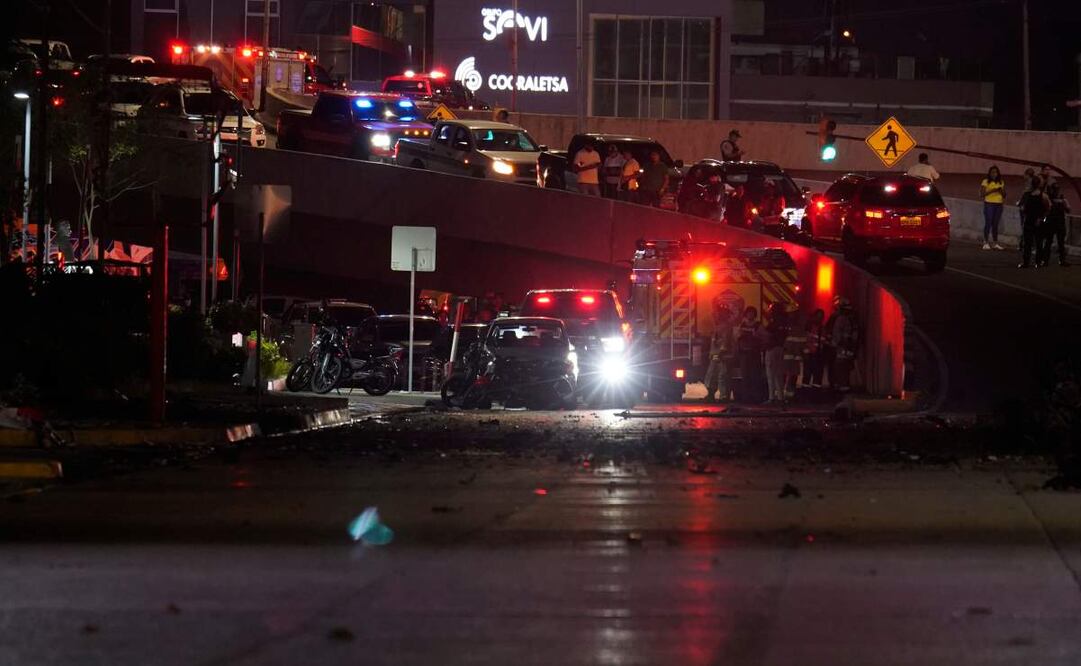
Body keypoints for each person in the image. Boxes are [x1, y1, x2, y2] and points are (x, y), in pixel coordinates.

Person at [703, 304, 735, 402]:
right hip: (716, 355)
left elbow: (725, 342)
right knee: (712, 375)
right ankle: (711, 394)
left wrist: (721, 352)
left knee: (722, 376)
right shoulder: (717, 326)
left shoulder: (726, 327)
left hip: (723, 356)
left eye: (717, 314)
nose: (715, 316)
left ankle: (724, 396)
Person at [1018, 174, 1049, 269]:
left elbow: (1047, 209)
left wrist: (1042, 219)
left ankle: (1037, 262)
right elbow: (1021, 205)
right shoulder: (1027, 194)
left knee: (1037, 243)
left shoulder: (1043, 195)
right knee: (1028, 242)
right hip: (1029, 220)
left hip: (1036, 221)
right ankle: (1027, 262)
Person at [828, 297, 859, 392]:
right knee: (844, 367)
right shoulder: (851, 319)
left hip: (841, 347)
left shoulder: (841, 319)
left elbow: (836, 333)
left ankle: (841, 386)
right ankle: (842, 385)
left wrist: (836, 343)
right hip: (846, 347)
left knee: (840, 367)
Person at [734, 306, 764, 403]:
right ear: (746, 314)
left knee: (755, 376)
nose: (750, 315)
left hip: (754, 354)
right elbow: (736, 337)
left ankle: (755, 397)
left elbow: (764, 337)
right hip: (744, 354)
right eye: (748, 313)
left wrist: (757, 335)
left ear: (754, 314)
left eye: (752, 313)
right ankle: (745, 397)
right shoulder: (742, 324)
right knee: (745, 376)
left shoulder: (758, 325)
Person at [763, 302, 790, 404]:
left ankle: (771, 398)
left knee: (771, 373)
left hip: (772, 349)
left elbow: (768, 334)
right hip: (781, 349)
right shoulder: (785, 321)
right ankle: (780, 397)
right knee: (779, 373)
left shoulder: (774, 321)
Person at [1039, 181, 1071, 267]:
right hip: (1051, 222)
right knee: (1048, 242)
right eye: (1054, 189)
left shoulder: (1062, 199)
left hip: (1059, 222)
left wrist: (1064, 204)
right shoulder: (1047, 198)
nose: (1056, 191)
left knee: (1060, 243)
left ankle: (1062, 260)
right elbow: (1044, 209)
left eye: (1057, 189)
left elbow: (1068, 210)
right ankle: (1045, 260)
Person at [979, 166, 1006, 250]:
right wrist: (992, 190)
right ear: (989, 173)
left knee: (995, 224)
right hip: (989, 203)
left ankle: (995, 242)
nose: (994, 174)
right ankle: (986, 242)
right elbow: (982, 194)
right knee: (988, 222)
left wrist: (1001, 190)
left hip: (999, 204)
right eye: (992, 172)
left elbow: (1004, 195)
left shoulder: (1001, 182)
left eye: (995, 172)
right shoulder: (985, 181)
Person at [801, 308, 827, 389]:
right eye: (818, 316)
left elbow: (823, 341)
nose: (820, 318)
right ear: (814, 316)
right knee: (807, 374)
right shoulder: (808, 326)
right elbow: (805, 340)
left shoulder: (822, 328)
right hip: (810, 354)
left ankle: (815, 393)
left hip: (818, 354)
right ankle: (806, 393)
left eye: (821, 317)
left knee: (817, 375)